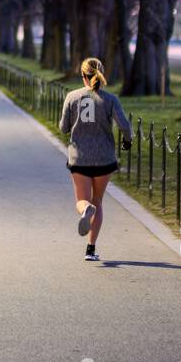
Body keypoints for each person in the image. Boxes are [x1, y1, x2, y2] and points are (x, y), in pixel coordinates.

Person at [59, 56, 132, 261]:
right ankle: (91, 248)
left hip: (79, 158)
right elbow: (124, 125)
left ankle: (85, 209)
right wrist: (128, 141)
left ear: (83, 75)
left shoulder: (72, 97)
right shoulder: (110, 99)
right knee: (98, 201)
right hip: (104, 158)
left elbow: (63, 127)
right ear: (101, 73)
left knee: (81, 201)